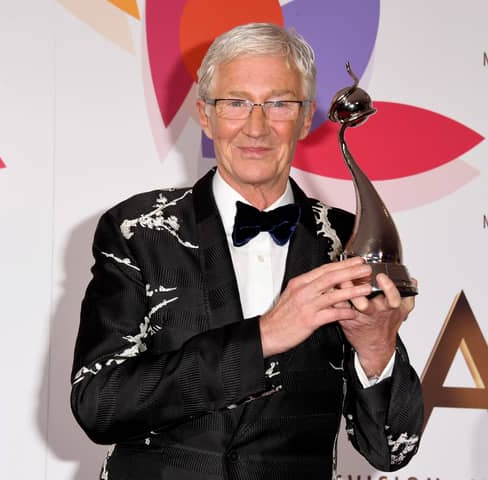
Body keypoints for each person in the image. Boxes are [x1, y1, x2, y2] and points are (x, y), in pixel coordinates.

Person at [71, 22, 423, 480]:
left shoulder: (346, 240)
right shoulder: (139, 230)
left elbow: (391, 451)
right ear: (205, 113)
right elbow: (99, 403)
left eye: (278, 103)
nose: (256, 127)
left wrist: (377, 348)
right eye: (236, 103)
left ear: (303, 117)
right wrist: (264, 337)